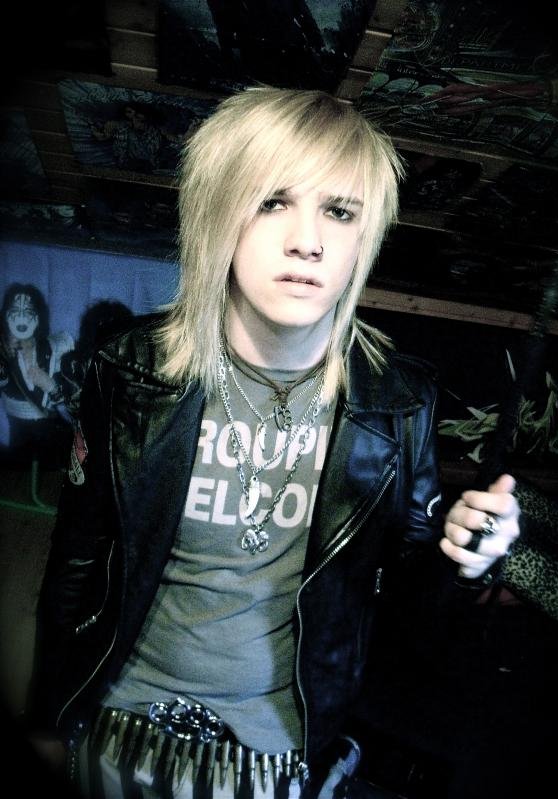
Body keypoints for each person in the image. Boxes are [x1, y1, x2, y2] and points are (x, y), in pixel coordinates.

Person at [25, 86, 520, 799]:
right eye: (272, 201)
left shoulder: (396, 401)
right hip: (117, 723)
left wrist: (464, 558)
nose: (307, 241)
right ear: (218, 214)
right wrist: (46, 717)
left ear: (364, 238)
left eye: (339, 211)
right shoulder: (132, 370)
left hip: (275, 754)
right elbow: (76, 556)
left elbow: (406, 613)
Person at [0, 282, 73, 468]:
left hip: (51, 439)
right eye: (14, 311)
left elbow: (71, 405)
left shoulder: (57, 348)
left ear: (39, 316)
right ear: (5, 316)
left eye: (28, 311)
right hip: (16, 438)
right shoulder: (3, 353)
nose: (21, 317)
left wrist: (51, 386)